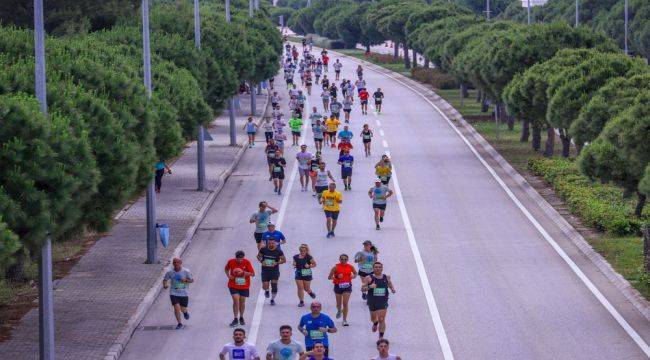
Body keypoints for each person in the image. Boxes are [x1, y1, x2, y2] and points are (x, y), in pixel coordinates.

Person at [362, 262, 396, 339]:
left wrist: (392, 289)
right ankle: (375, 323)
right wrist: (370, 286)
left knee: (381, 318)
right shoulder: (369, 278)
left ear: (382, 268)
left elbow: (389, 284)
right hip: (372, 301)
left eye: (379, 267)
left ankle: (381, 337)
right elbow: (362, 289)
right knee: (373, 318)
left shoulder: (386, 277)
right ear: (373, 268)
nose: (377, 268)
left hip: (383, 301)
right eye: (376, 267)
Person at [225, 251, 255, 327]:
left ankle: (241, 317)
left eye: (241, 259)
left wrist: (243, 272)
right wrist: (228, 276)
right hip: (233, 284)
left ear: (243, 257)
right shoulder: (231, 261)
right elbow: (226, 269)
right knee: (236, 301)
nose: (240, 261)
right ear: (236, 258)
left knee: (242, 302)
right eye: (238, 259)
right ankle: (235, 319)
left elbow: (252, 274)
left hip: (244, 285)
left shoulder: (247, 262)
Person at [162, 258, 193, 330]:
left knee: (183, 309)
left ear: (180, 263)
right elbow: (165, 280)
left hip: (184, 293)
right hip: (173, 293)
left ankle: (185, 313)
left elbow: (191, 280)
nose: (176, 264)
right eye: (174, 262)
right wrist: (165, 285)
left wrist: (185, 280)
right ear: (173, 264)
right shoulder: (170, 272)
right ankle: (179, 323)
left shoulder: (186, 271)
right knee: (176, 308)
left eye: (177, 262)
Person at [327, 254, 357, 326]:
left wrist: (353, 276)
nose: (343, 260)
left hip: (347, 286)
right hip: (338, 286)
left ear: (347, 260)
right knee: (338, 304)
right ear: (339, 259)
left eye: (345, 259)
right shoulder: (335, 267)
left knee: (345, 303)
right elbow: (329, 277)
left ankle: (344, 320)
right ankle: (339, 310)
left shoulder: (350, 267)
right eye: (342, 259)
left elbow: (355, 273)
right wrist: (337, 276)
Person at [258, 239, 286, 306]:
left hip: (274, 271)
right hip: (265, 270)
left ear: (275, 244)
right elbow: (258, 256)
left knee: (274, 286)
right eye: (270, 243)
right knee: (264, 286)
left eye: (273, 243)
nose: (271, 245)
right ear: (267, 244)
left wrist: (276, 262)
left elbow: (284, 260)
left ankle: (272, 299)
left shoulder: (279, 251)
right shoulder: (263, 249)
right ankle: (267, 290)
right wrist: (262, 261)